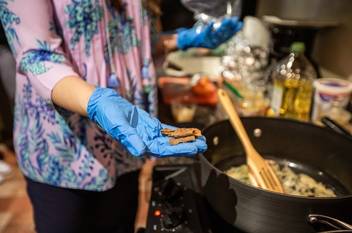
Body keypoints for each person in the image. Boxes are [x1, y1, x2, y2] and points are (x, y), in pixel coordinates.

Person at [0, 0, 242, 232]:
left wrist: (182, 39)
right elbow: (38, 56)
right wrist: (97, 101)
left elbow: (127, 45)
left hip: (126, 140)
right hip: (65, 150)